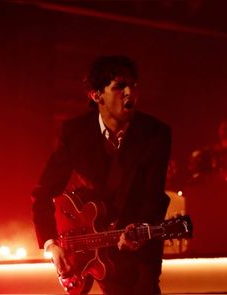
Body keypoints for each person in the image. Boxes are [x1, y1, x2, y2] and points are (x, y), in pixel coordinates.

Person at [31, 55, 172, 295]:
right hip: (85, 247)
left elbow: (154, 196)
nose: (130, 93)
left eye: (133, 85)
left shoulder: (155, 134)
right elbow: (43, 193)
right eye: (119, 86)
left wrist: (141, 230)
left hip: (136, 250)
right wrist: (51, 243)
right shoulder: (75, 133)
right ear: (97, 95)